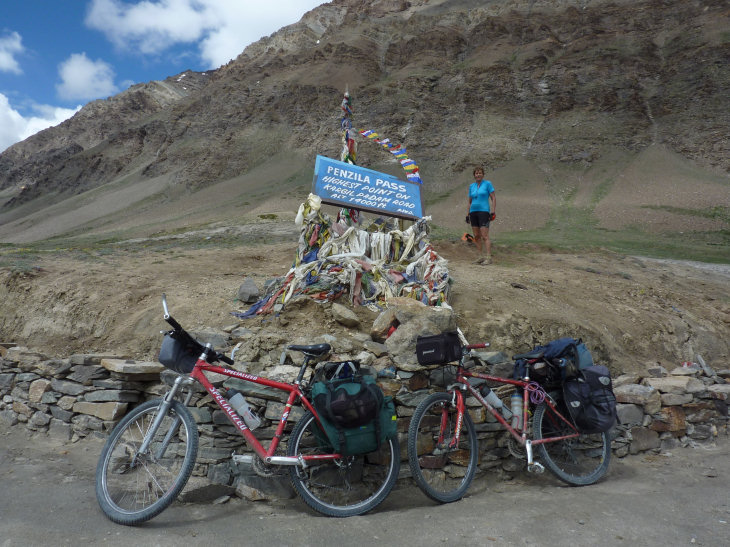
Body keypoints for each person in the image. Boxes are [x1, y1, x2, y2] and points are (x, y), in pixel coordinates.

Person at [466, 166, 496, 264]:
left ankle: (488, 257)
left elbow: (493, 198)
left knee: (484, 235)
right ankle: (480, 257)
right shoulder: (471, 186)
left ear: (483, 174)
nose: (478, 175)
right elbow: (469, 202)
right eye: (476, 173)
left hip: (484, 212)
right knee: (476, 236)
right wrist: (467, 214)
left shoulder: (488, 184)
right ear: (474, 175)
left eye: (480, 173)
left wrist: (493, 212)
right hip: (473, 212)